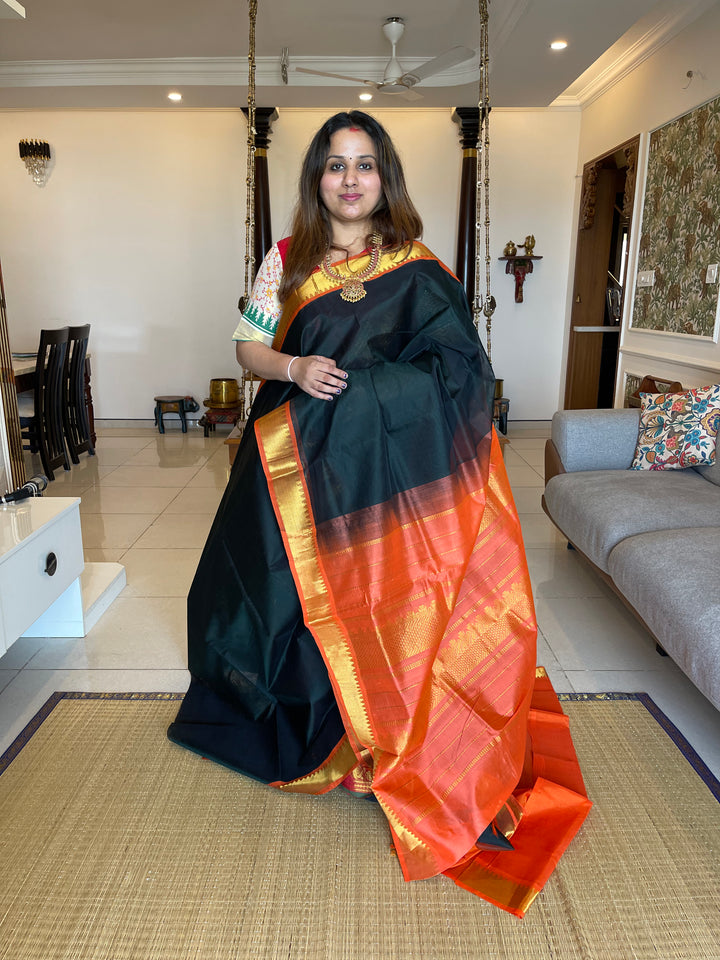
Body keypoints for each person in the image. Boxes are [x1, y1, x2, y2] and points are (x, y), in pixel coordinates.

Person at [168, 111, 590, 917]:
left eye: (364, 164)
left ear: (384, 176)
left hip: (386, 472)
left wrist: (368, 396)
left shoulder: (416, 265)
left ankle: (392, 727)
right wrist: (295, 363)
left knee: (389, 598)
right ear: (316, 178)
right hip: (296, 463)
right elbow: (247, 351)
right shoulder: (286, 259)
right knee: (280, 595)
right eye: (335, 165)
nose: (350, 179)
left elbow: (460, 367)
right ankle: (329, 727)